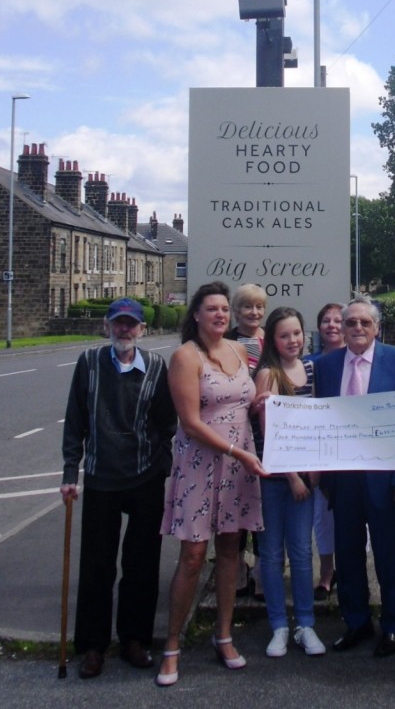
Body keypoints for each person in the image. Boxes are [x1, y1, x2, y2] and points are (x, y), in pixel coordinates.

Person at [60, 297, 177, 680]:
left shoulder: (156, 367)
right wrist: (69, 472)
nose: (124, 330)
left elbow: (166, 422)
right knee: (96, 566)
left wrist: (160, 465)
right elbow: (75, 419)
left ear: (142, 329)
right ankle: (93, 647)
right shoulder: (89, 363)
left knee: (141, 564)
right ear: (108, 327)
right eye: (118, 323)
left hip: (144, 476)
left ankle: (134, 640)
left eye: (131, 324)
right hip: (100, 477)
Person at [157, 283, 267, 687]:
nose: (221, 314)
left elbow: (246, 400)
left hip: (240, 466)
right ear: (197, 315)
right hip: (202, 464)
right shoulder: (186, 357)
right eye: (212, 309)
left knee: (230, 552)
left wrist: (266, 402)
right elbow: (191, 423)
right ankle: (171, 646)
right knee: (192, 554)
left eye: (225, 309)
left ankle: (224, 635)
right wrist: (238, 453)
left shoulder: (241, 351)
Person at [315, 297, 395, 658]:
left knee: (390, 555)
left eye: (364, 323)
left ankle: (394, 626)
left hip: (386, 479)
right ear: (341, 328)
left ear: (376, 327)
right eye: (350, 323)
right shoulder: (326, 366)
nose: (357, 328)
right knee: (347, 554)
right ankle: (356, 622)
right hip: (342, 480)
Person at [255, 307, 327, 658]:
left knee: (301, 553)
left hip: (307, 477)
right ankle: (279, 626)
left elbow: (321, 421)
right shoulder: (268, 375)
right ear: (273, 339)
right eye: (284, 335)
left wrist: (314, 470)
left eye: (297, 333)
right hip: (275, 479)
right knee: (270, 554)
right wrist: (294, 476)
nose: (292, 341)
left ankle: (305, 625)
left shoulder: (311, 369)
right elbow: (271, 436)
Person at [227, 283, 267, 597]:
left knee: (264, 503)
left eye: (258, 307)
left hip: (266, 433)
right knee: (237, 502)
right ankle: (238, 570)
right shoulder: (224, 342)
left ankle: (265, 569)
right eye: (247, 307)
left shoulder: (271, 340)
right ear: (236, 310)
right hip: (234, 433)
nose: (253, 313)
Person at [312, 302, 344, 600]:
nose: (332, 325)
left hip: (351, 450)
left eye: (338, 320)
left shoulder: (358, 360)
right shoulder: (309, 363)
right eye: (326, 321)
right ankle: (326, 571)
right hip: (319, 449)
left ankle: (347, 569)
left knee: (353, 514)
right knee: (322, 514)